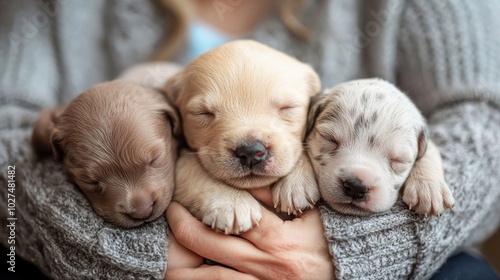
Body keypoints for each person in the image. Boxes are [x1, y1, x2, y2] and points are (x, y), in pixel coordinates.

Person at [0, 0, 499, 279]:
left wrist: (358, 250)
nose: (253, 147)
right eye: (203, 115)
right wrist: (102, 251)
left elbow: (487, 120)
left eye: (287, 111)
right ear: (173, 111)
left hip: (394, 248)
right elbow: (7, 133)